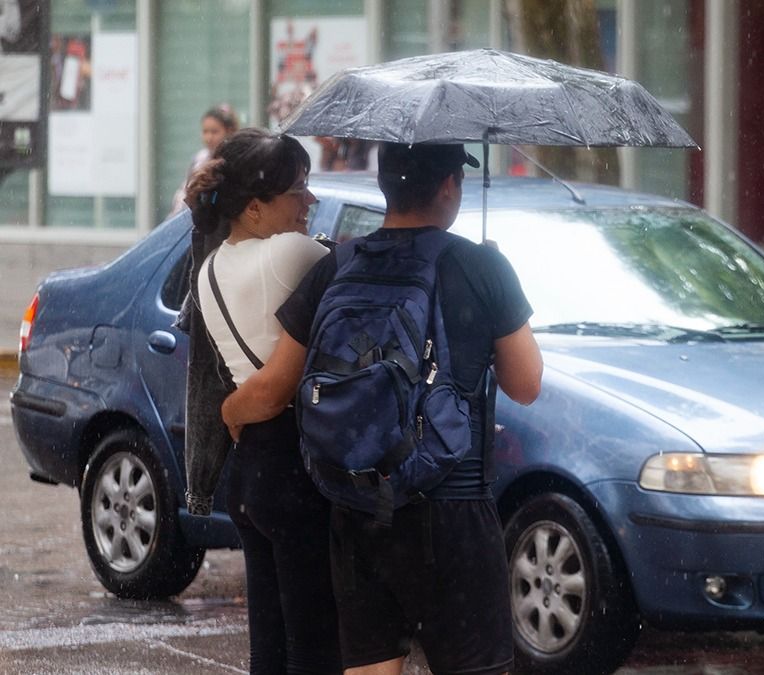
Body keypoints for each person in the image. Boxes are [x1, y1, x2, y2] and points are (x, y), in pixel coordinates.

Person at [222, 142, 543, 675]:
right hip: (452, 509)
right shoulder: (481, 265)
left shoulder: (338, 265)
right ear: (448, 186)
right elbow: (526, 384)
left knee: (371, 669)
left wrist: (229, 412)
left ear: (383, 185)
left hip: (358, 505)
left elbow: (279, 381)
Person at [184, 128, 341, 674]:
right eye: (299, 189)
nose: (311, 202)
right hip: (297, 464)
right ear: (254, 208)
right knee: (314, 641)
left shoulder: (206, 270)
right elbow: (360, 269)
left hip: (249, 468)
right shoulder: (288, 253)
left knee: (269, 644)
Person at [172, 104, 239, 214]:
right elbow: (185, 191)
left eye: (214, 132)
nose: (209, 137)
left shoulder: (235, 160)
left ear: (229, 131)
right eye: (205, 132)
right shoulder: (199, 159)